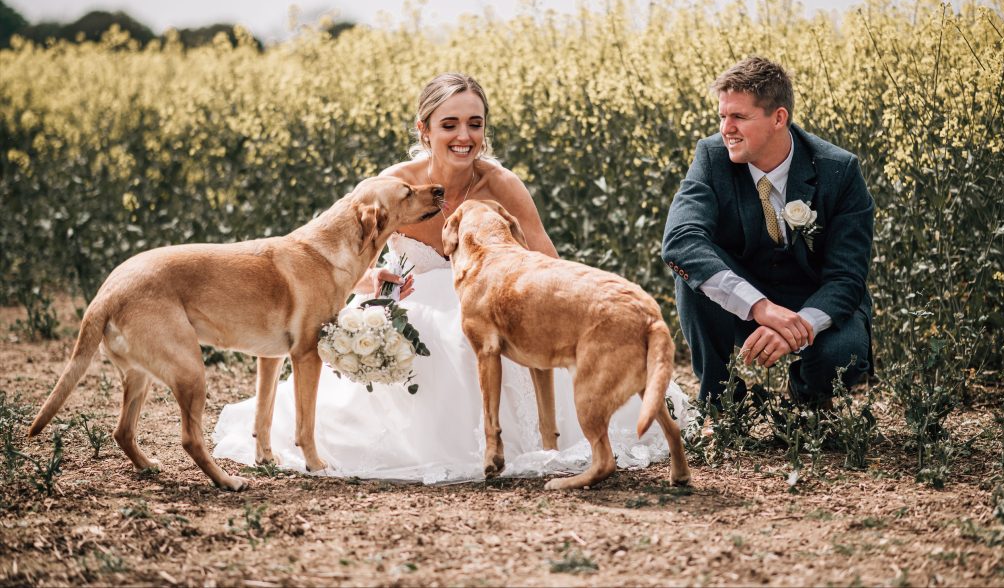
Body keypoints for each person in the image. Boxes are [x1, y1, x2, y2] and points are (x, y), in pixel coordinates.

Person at [214, 72, 692, 483]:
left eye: (475, 124)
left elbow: (548, 261)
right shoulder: (390, 187)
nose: (464, 135)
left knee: (480, 329)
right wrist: (373, 280)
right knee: (431, 333)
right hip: (412, 301)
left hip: (494, 306)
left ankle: (535, 438)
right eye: (450, 124)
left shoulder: (500, 184)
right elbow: (335, 263)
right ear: (424, 130)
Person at [661, 57, 873, 412]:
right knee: (693, 268)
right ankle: (722, 400)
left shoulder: (840, 170)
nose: (726, 128)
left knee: (841, 353)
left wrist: (797, 325)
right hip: (748, 299)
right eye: (722, 116)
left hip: (816, 299)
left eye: (739, 117)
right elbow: (679, 240)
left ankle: (808, 397)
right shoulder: (712, 157)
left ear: (778, 118)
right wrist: (761, 308)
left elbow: (847, 278)